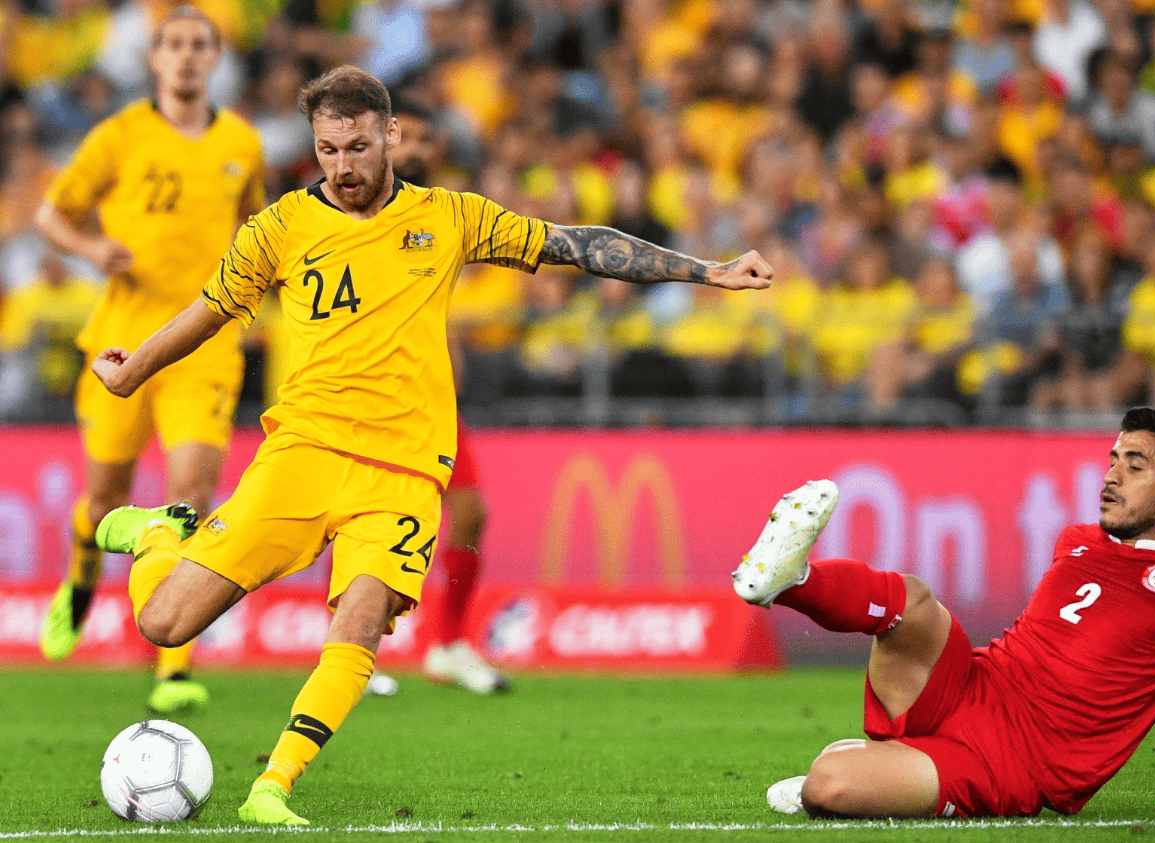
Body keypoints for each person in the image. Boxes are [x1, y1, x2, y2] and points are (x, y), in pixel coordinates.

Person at [84, 65, 770, 826]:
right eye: (326, 151)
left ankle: (271, 785)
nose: (342, 166)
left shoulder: (450, 217)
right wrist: (131, 370)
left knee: (361, 621)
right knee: (163, 624)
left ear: (391, 136)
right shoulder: (279, 227)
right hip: (303, 453)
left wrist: (707, 271)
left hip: (403, 472)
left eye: (355, 146)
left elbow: (576, 245)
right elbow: (210, 311)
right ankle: (156, 534)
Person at [735, 408, 1155, 821]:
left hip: (1014, 764)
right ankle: (792, 580)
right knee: (915, 603)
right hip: (971, 684)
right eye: (1112, 460)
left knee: (829, 785)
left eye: (1134, 466)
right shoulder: (1078, 539)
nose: (1111, 476)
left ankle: (867, 763)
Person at [34, 6, 265, 716]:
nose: (188, 57)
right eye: (175, 46)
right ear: (155, 59)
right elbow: (52, 214)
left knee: (191, 495)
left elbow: (257, 227)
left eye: (201, 45)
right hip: (122, 345)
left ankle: (174, 662)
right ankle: (80, 574)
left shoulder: (241, 143)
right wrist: (93, 250)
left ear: (215, 58)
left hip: (205, 347)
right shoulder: (121, 135)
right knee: (106, 500)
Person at [390, 96, 507, 694]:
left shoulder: (446, 213)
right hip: (367, 393)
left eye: (423, 138)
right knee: (354, 520)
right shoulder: (350, 209)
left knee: (470, 514)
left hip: (432, 397)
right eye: (401, 136)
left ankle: (448, 644)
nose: (412, 149)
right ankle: (348, 646)